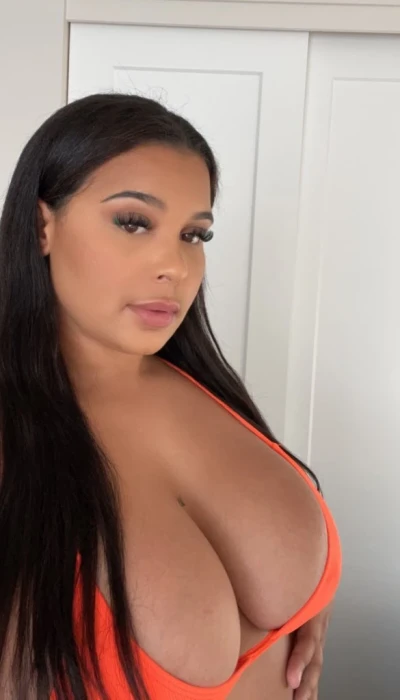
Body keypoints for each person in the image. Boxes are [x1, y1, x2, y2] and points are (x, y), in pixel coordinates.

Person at [0, 93, 341, 700]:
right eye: (133, 222)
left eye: (193, 233)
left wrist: (313, 602)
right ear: (41, 226)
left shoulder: (203, 383)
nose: (177, 266)